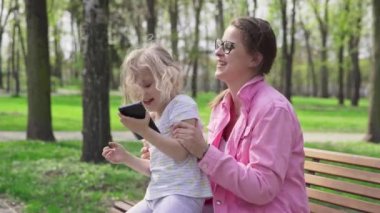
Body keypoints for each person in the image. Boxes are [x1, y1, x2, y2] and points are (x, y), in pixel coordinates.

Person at [172, 17, 309, 212]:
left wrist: (204, 151)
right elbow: (216, 172)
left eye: (228, 46)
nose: (217, 52)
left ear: (255, 59)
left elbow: (262, 188)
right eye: (219, 44)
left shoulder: (273, 110)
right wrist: (170, 151)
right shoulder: (222, 106)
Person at [102, 44, 212, 213]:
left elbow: (180, 153)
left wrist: (145, 131)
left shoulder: (182, 105)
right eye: (137, 88)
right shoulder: (153, 117)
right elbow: (154, 168)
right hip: (154, 195)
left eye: (147, 85)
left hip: (182, 195)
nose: (143, 94)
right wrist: (125, 157)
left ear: (169, 79)